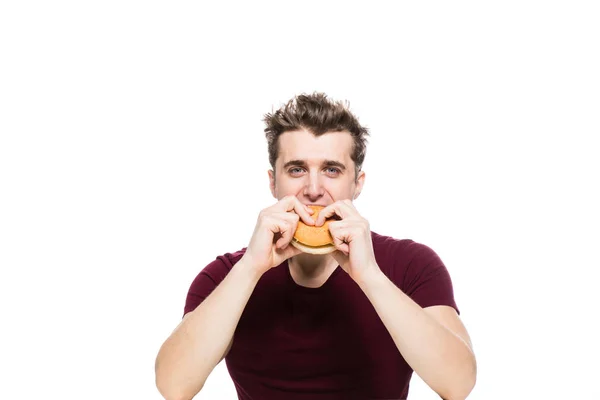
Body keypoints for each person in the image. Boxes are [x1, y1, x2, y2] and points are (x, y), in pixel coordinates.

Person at [155, 93, 477, 400]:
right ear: (273, 182)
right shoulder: (228, 275)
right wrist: (250, 268)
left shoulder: (410, 266)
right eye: (296, 169)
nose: (312, 189)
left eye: (331, 170)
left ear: (357, 183)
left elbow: (458, 383)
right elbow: (173, 385)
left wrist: (369, 276)